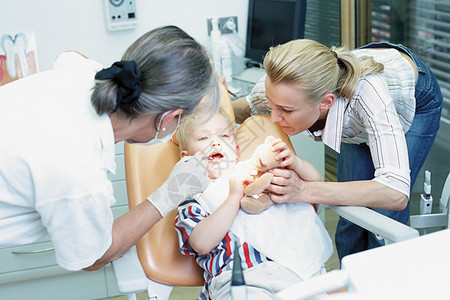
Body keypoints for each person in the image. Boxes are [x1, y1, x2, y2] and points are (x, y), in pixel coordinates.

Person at [0, 25, 220, 271]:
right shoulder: (79, 172)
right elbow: (95, 257)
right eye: (186, 121)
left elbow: (69, 55)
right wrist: (170, 193)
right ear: (167, 118)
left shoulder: (88, 72)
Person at [232, 39, 443, 259]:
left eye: (286, 110)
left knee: (382, 219)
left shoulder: (369, 96)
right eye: (271, 103)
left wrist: (303, 190)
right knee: (350, 218)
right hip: (357, 112)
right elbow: (234, 110)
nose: (274, 117)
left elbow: (395, 192)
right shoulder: (281, 86)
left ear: (325, 102)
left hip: (415, 98)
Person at [174, 107, 333, 299]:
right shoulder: (194, 201)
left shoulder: (258, 176)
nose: (216, 142)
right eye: (203, 139)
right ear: (187, 159)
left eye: (224, 135)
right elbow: (201, 243)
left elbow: (315, 186)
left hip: (295, 271)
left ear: (236, 149)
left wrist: (295, 163)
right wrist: (233, 197)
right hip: (240, 279)